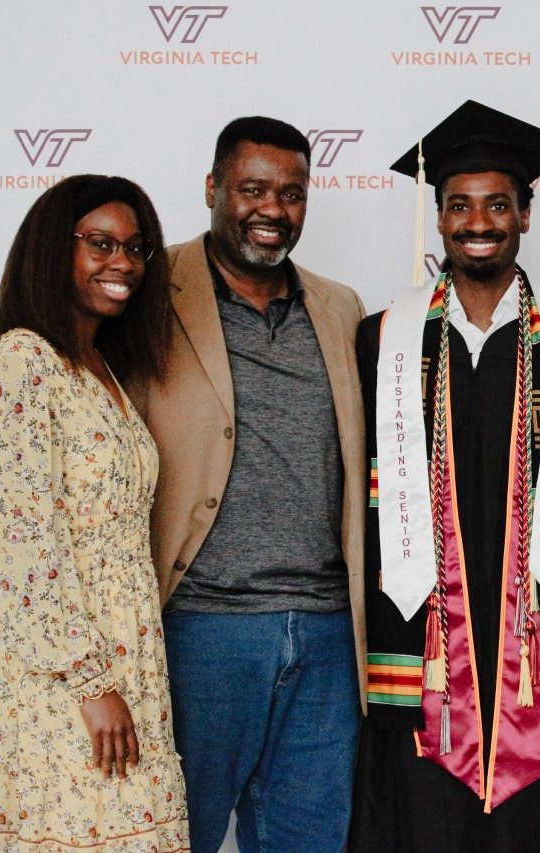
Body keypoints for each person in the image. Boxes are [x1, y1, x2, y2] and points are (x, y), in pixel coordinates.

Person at [350, 100, 540, 853]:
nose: (479, 221)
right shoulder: (382, 342)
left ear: (526, 215)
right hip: (417, 658)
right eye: (459, 205)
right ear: (438, 218)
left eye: (498, 205)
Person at [131, 116, 367, 852]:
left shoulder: (340, 307)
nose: (273, 209)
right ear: (212, 188)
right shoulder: (146, 292)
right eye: (253, 189)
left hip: (329, 635)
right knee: (174, 837)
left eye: (292, 193)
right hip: (201, 629)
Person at [0, 175, 189, 850]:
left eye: (134, 247)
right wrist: (92, 683)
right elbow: (24, 543)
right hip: (64, 676)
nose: (121, 262)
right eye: (99, 243)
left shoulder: (99, 365)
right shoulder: (24, 361)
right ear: (52, 249)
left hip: (132, 657)